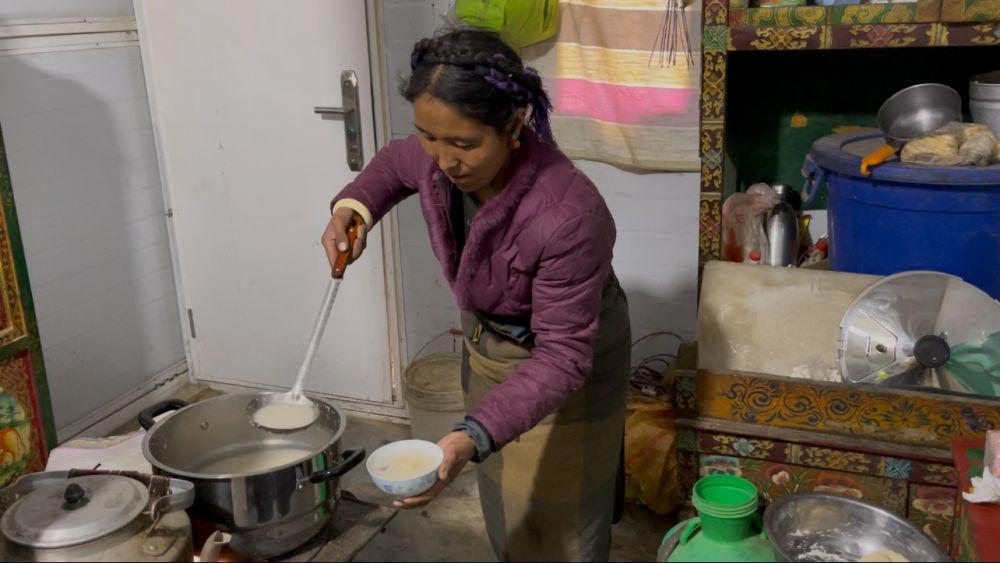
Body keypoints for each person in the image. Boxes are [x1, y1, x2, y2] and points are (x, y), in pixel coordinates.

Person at [322, 29, 631, 562]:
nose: (443, 160)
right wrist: (354, 208)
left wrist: (472, 435)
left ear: (514, 125)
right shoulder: (437, 156)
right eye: (429, 136)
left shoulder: (569, 216)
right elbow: (395, 164)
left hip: (564, 367)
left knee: (559, 527)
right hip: (489, 348)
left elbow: (562, 357)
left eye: (463, 144)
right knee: (506, 507)